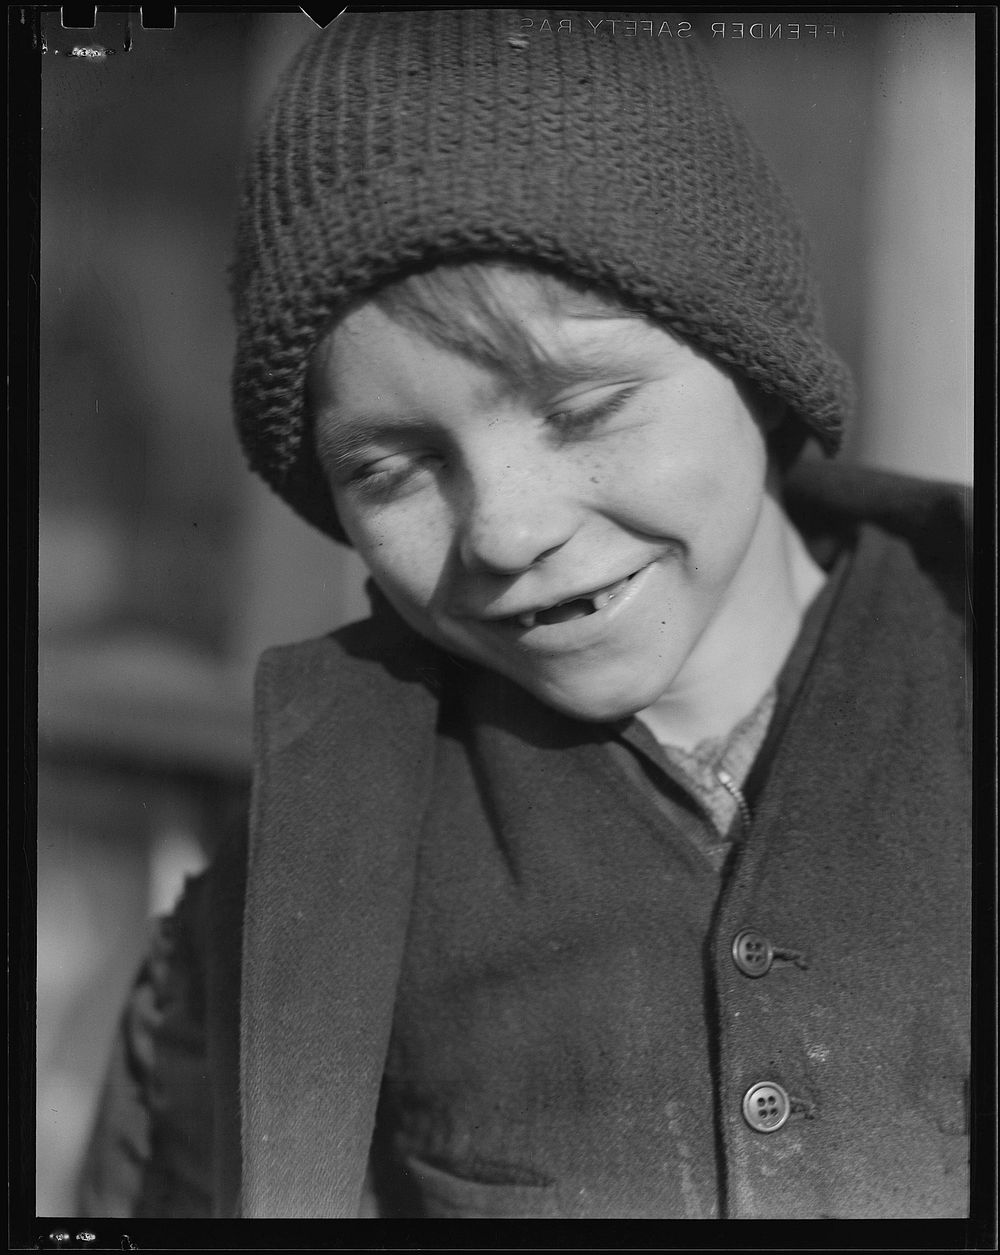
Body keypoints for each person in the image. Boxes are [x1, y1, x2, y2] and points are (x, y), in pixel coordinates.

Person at [78, 9, 971, 1220]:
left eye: (585, 408)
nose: (505, 529)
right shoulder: (312, 867)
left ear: (755, 368)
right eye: (392, 468)